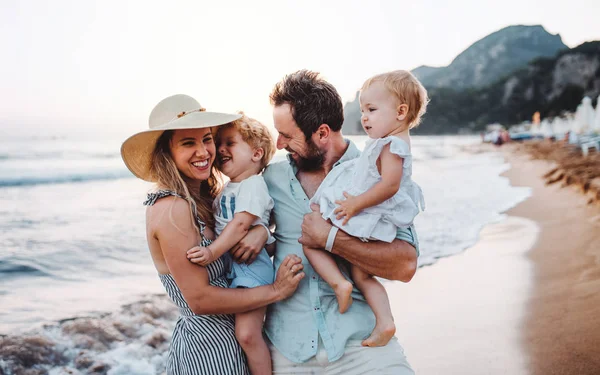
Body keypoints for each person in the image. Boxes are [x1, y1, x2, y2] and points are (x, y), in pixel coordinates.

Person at [243, 70, 419, 374]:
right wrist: (259, 231)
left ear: (322, 133)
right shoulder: (269, 180)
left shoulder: (377, 173)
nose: (279, 144)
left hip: (362, 344)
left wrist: (330, 239)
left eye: (288, 134)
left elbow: (405, 266)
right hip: (289, 351)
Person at [120, 94, 304, 375]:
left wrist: (260, 232)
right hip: (207, 352)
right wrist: (276, 291)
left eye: (207, 139)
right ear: (167, 152)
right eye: (188, 143)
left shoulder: (207, 199)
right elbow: (200, 300)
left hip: (233, 344)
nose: (204, 151)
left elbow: (239, 227)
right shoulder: (171, 208)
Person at [305, 70, 427, 348]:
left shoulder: (393, 145)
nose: (364, 117)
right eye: (362, 110)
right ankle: (385, 321)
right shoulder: (390, 142)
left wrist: (355, 204)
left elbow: (389, 186)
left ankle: (339, 284)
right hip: (372, 212)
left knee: (311, 237)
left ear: (401, 111)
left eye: (371, 109)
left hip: (369, 213)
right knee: (361, 273)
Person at [186, 114, 277, 375]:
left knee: (247, 335)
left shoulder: (253, 185)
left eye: (230, 143)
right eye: (219, 143)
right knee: (243, 334)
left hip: (251, 268)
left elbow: (239, 225)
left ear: (256, 153)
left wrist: (212, 251)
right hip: (233, 268)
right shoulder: (229, 188)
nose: (221, 149)